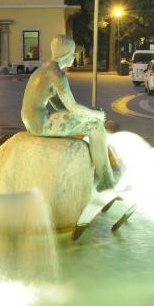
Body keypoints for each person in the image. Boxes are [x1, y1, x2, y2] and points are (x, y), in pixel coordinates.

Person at [21, 34, 116, 190]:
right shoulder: (57, 75)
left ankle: (105, 178)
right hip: (41, 125)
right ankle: (106, 181)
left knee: (92, 121)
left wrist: (89, 112)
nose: (74, 56)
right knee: (96, 127)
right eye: (72, 53)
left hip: (32, 121)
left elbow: (60, 106)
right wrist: (96, 115)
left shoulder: (45, 69)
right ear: (65, 54)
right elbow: (73, 107)